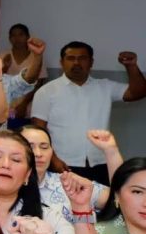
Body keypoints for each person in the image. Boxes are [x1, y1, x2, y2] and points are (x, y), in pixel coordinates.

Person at [31, 42, 145, 185]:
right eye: (71, 58)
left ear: (91, 62)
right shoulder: (46, 91)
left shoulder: (105, 87)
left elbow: (138, 92)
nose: (76, 63)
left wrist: (131, 66)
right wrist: (53, 160)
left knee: (103, 199)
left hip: (101, 162)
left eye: (82, 58)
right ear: (62, 62)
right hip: (63, 164)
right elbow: (38, 130)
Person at [20, 125, 117, 217]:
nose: (38, 153)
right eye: (30, 147)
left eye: (44, 147)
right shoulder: (11, 186)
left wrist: (111, 151)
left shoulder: (68, 183)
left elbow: (118, 198)